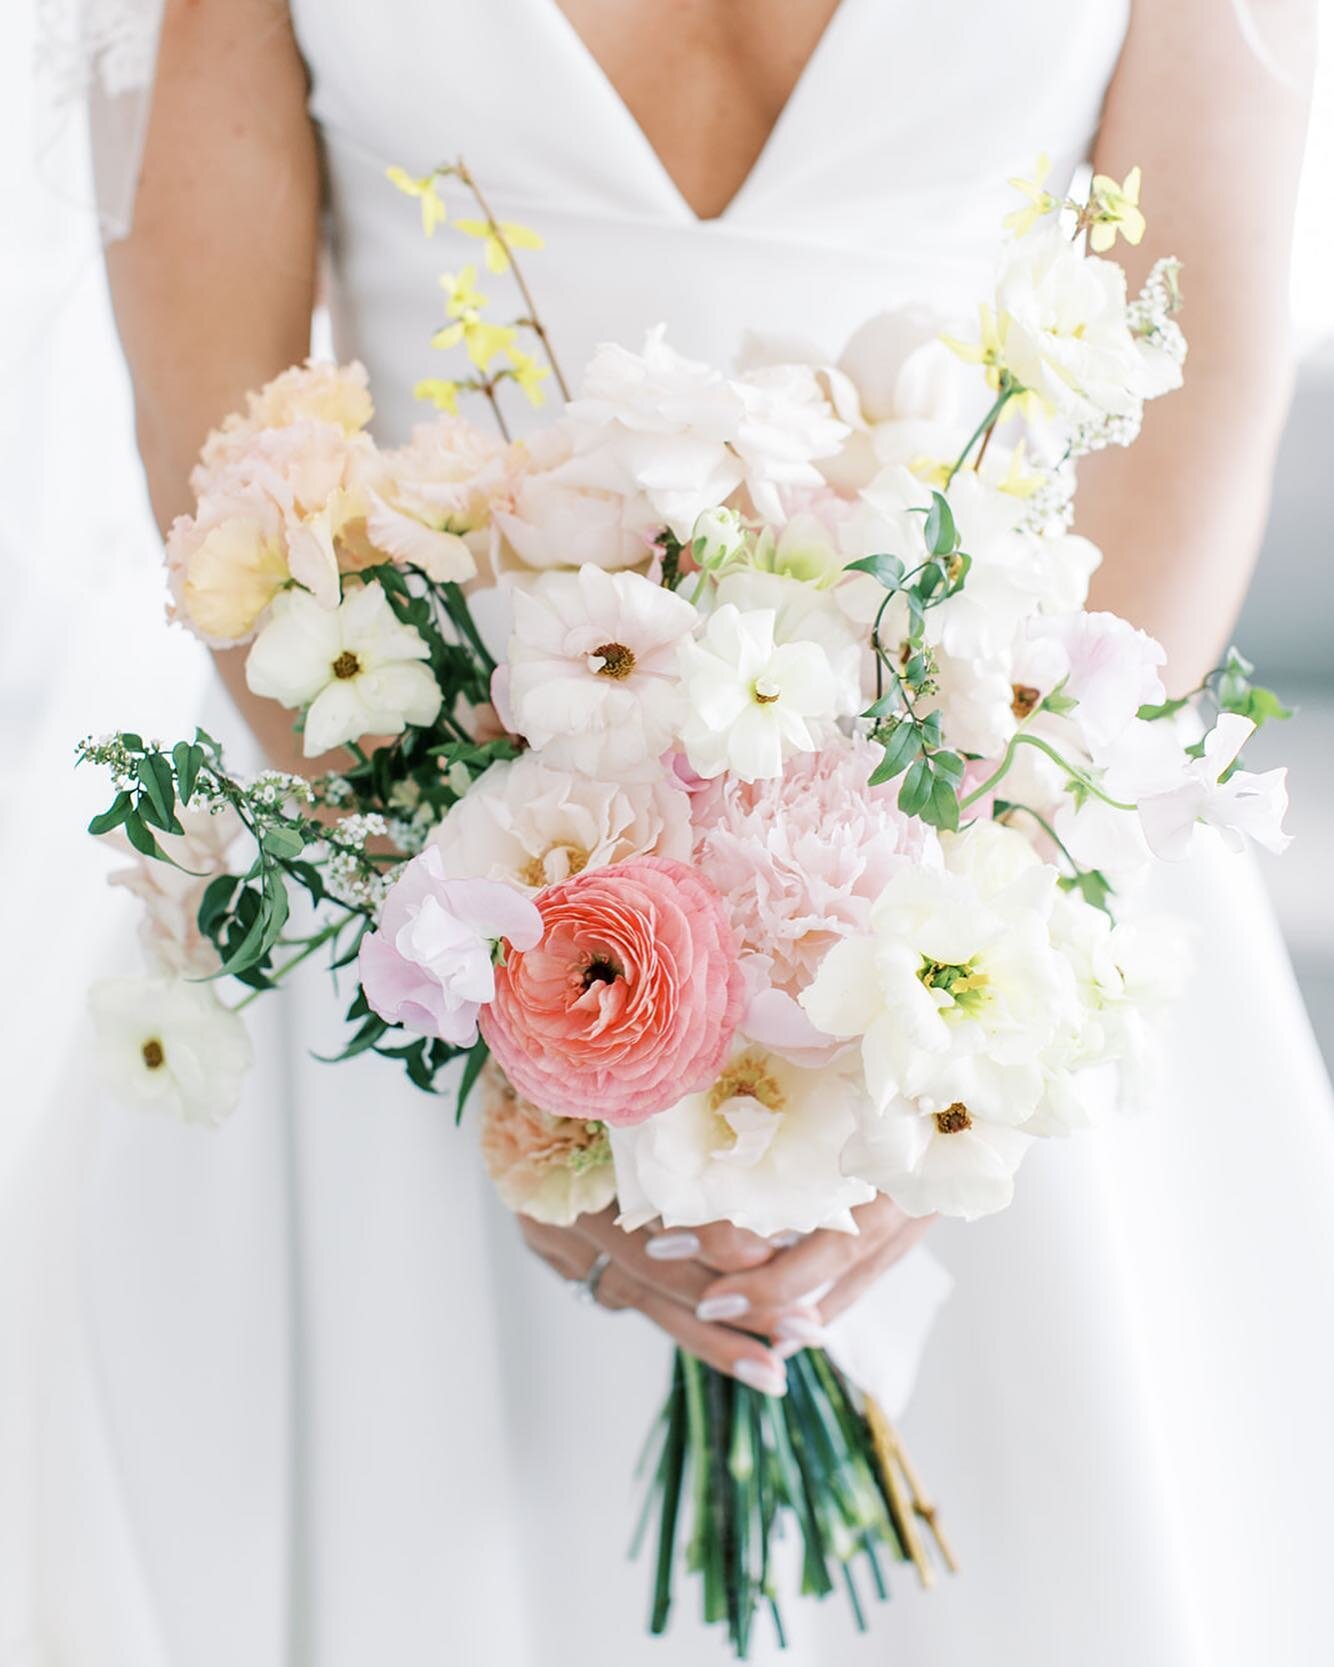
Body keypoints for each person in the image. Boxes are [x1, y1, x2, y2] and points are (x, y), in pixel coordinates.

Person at [26, 0, 1334, 1662]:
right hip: (436, 908)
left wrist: (939, 1055)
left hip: (1005, 863)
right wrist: (527, 1033)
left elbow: (1191, 402)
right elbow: (226, 474)